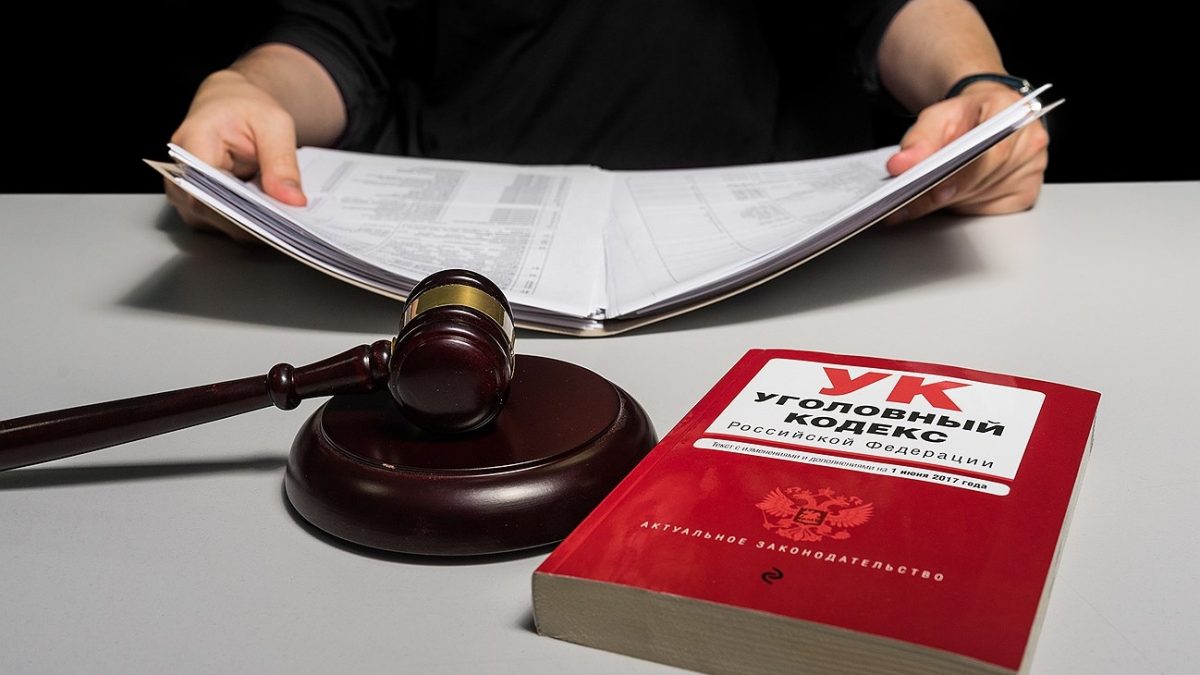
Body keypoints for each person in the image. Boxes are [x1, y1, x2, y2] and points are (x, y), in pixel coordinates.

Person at [167, 0, 1048, 240]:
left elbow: (897, 5)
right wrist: (246, 91)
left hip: (773, 262)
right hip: (451, 268)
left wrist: (976, 83)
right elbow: (337, 39)